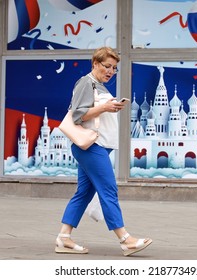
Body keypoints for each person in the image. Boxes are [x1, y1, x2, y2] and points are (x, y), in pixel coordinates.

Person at [55, 46, 152, 256]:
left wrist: (111, 106)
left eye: (114, 68)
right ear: (95, 64)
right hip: (92, 147)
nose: (110, 71)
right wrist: (105, 107)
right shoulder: (85, 83)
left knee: (83, 193)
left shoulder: (99, 86)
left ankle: (63, 238)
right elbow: (77, 115)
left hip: (97, 147)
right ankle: (125, 240)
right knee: (109, 190)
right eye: (107, 66)